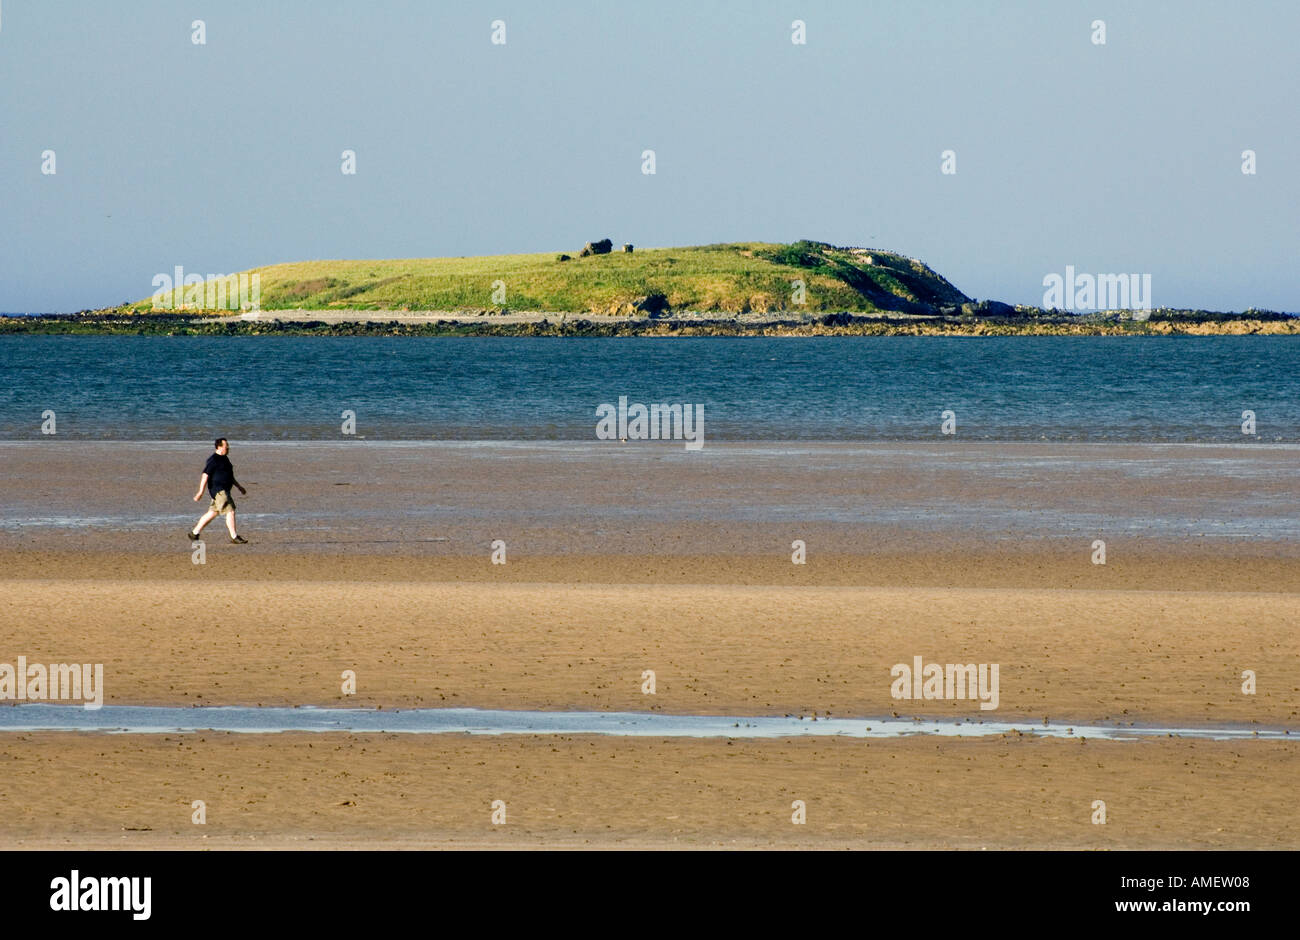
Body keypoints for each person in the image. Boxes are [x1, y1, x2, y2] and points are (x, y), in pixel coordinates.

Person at [188, 437, 248, 543]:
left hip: (224, 490)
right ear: (219, 447)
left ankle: (194, 533)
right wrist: (200, 492)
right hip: (219, 491)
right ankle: (234, 537)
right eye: (226, 446)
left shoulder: (225, 459)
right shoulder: (213, 460)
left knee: (213, 513)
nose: (228, 448)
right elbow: (205, 475)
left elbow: (229, 476)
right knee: (231, 511)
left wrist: (239, 487)